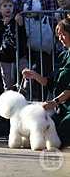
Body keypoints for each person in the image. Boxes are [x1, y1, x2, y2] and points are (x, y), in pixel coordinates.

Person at [23, 18, 70, 147]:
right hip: (62, 107)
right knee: (43, 128)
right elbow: (49, 83)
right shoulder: (62, 55)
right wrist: (34, 75)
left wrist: (55, 102)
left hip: (65, 106)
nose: (60, 38)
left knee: (60, 133)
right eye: (58, 35)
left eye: (63, 34)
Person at [15, 0, 57, 100]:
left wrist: (38, 16)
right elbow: (13, 13)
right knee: (25, 74)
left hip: (44, 43)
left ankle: (42, 100)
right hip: (25, 42)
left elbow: (53, 17)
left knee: (42, 72)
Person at [0, 0, 27, 90]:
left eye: (10, 6)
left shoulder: (16, 21)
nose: (8, 8)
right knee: (7, 81)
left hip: (19, 54)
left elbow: (23, 36)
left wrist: (20, 25)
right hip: (4, 56)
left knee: (26, 74)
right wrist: (3, 26)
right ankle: (8, 99)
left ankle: (24, 93)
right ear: (0, 9)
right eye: (5, 6)